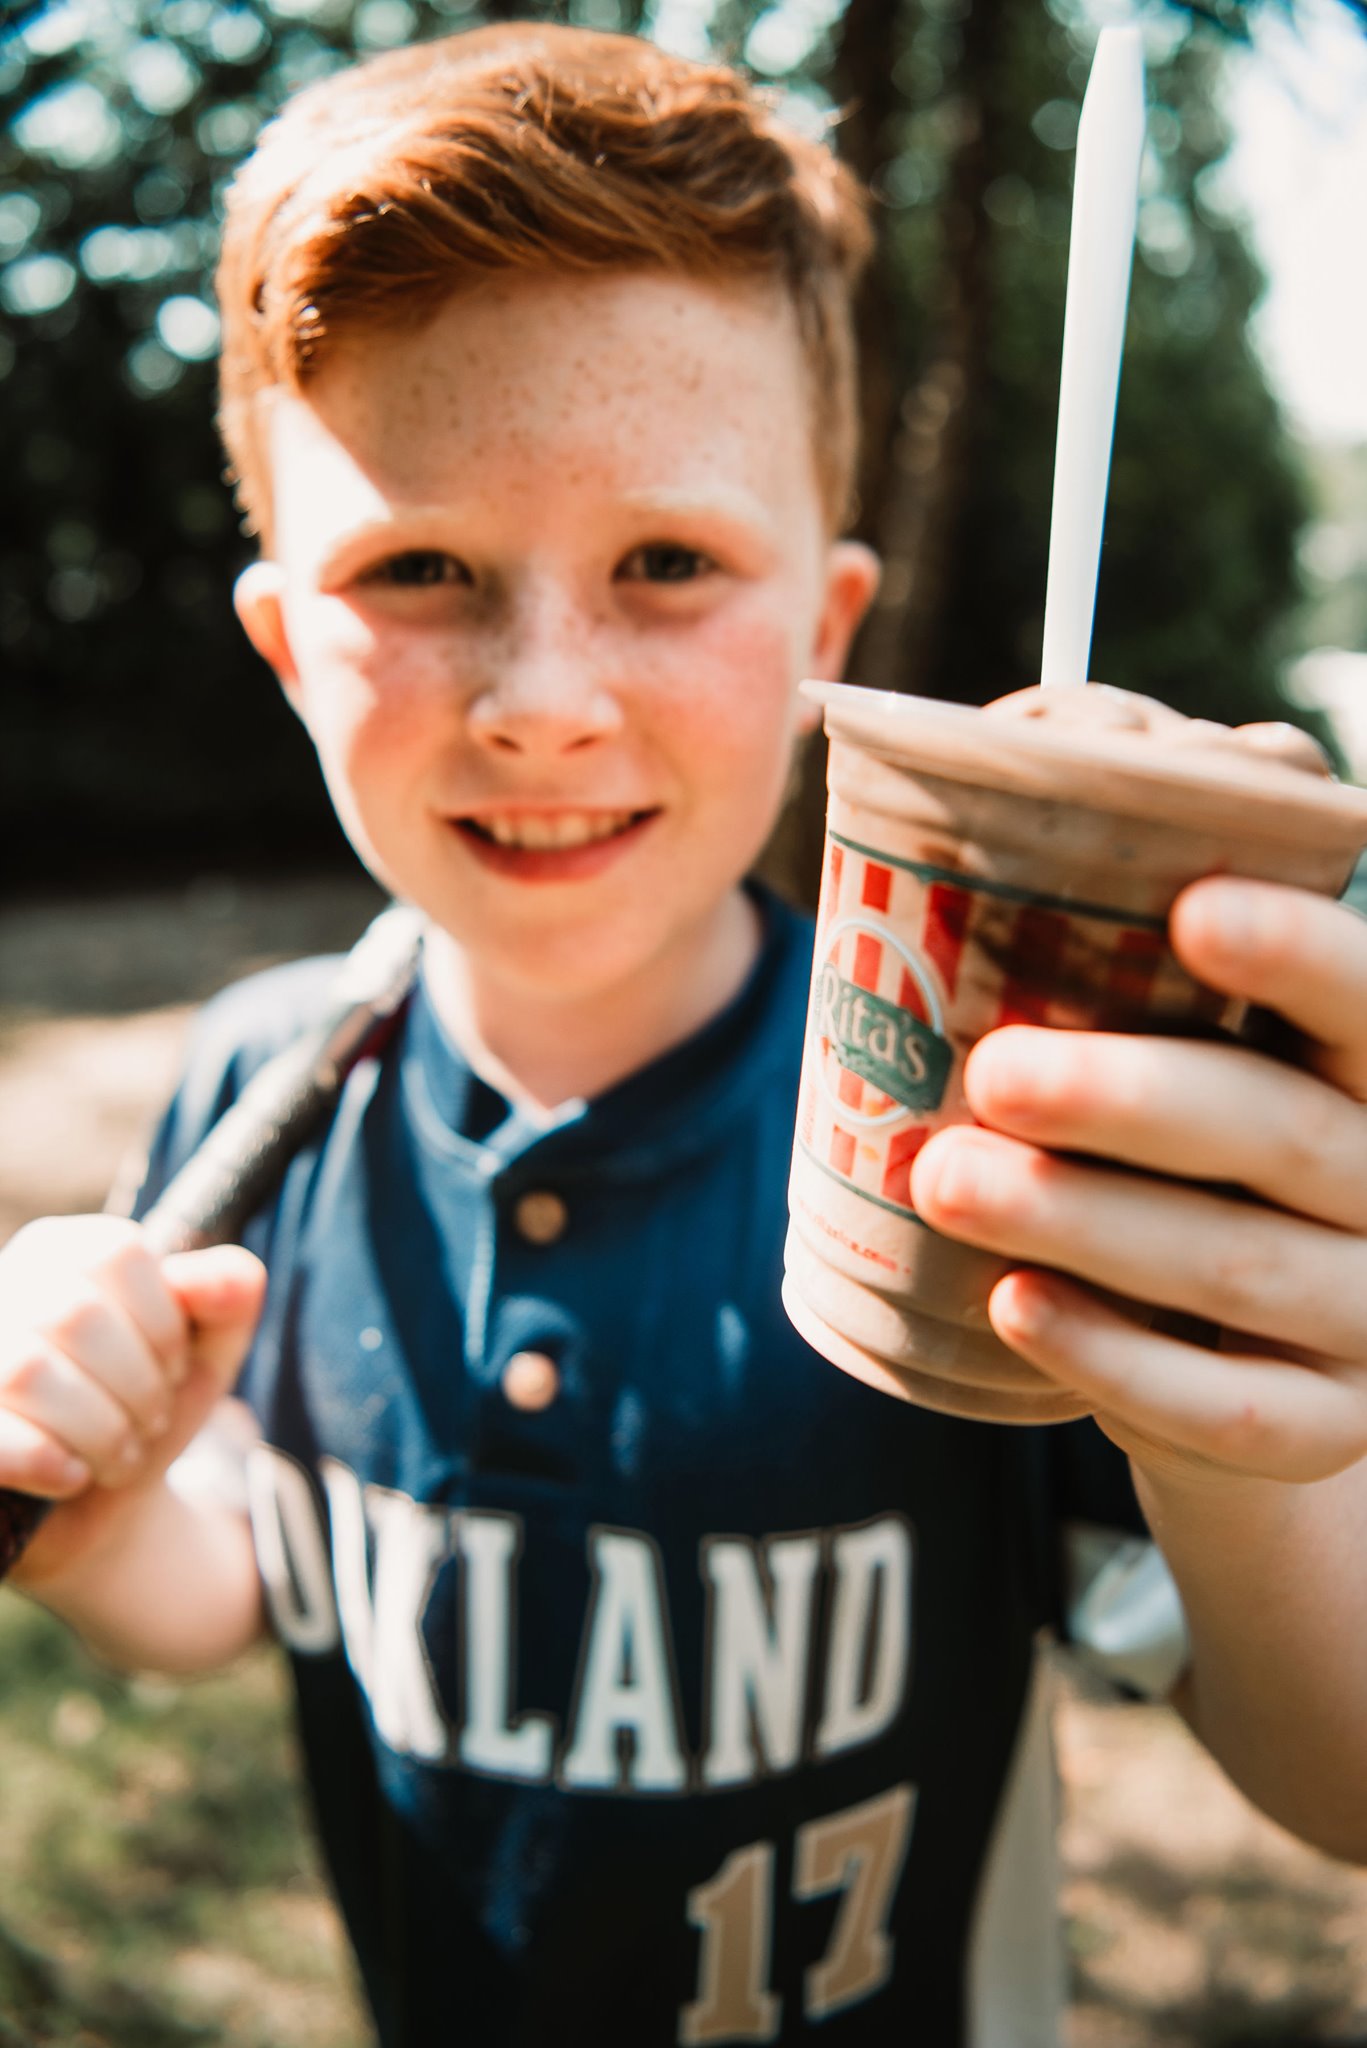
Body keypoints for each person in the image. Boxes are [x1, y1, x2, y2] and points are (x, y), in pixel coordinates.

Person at [2, 22, 1367, 2047]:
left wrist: (1239, 1451)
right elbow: (253, 1571)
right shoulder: (261, 1091)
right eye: (419, 568)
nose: (545, 700)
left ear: (827, 631)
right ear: (288, 643)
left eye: (666, 562)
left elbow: (1340, 1787)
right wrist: (102, 1509)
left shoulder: (981, 1146)